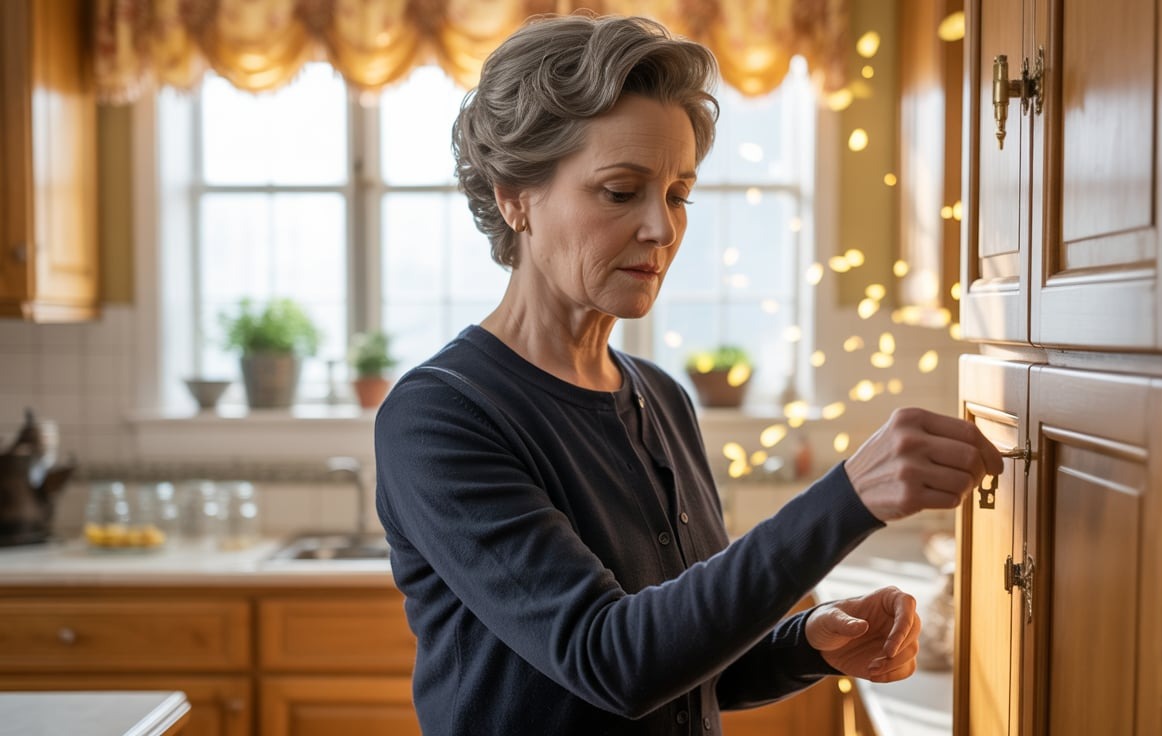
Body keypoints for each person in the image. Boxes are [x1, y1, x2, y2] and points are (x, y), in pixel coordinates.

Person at [374, 13, 1003, 735]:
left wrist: (810, 641)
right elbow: (612, 662)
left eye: (678, 194)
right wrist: (848, 496)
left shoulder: (659, 396)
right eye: (620, 191)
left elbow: (684, 659)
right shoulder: (441, 417)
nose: (662, 229)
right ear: (514, 194)